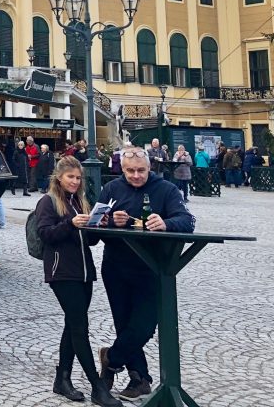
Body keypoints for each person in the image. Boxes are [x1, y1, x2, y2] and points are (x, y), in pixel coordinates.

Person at [96, 146, 195, 400]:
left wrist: (166, 223)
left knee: (144, 326)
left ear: (150, 168)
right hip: (116, 266)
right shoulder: (112, 189)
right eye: (130, 171)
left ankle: (111, 358)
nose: (136, 175)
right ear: (122, 169)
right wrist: (107, 221)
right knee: (124, 323)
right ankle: (139, 378)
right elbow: (95, 226)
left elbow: (187, 221)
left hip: (151, 267)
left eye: (141, 170)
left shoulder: (166, 190)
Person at [35, 157, 122, 407]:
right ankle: (97, 386)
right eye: (70, 177)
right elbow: (46, 234)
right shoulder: (48, 201)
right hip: (62, 272)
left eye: (78, 177)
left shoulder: (80, 201)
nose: (75, 181)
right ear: (59, 177)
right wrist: (70, 224)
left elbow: (89, 242)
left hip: (84, 272)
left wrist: (96, 225)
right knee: (79, 328)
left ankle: (62, 379)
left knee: (71, 325)